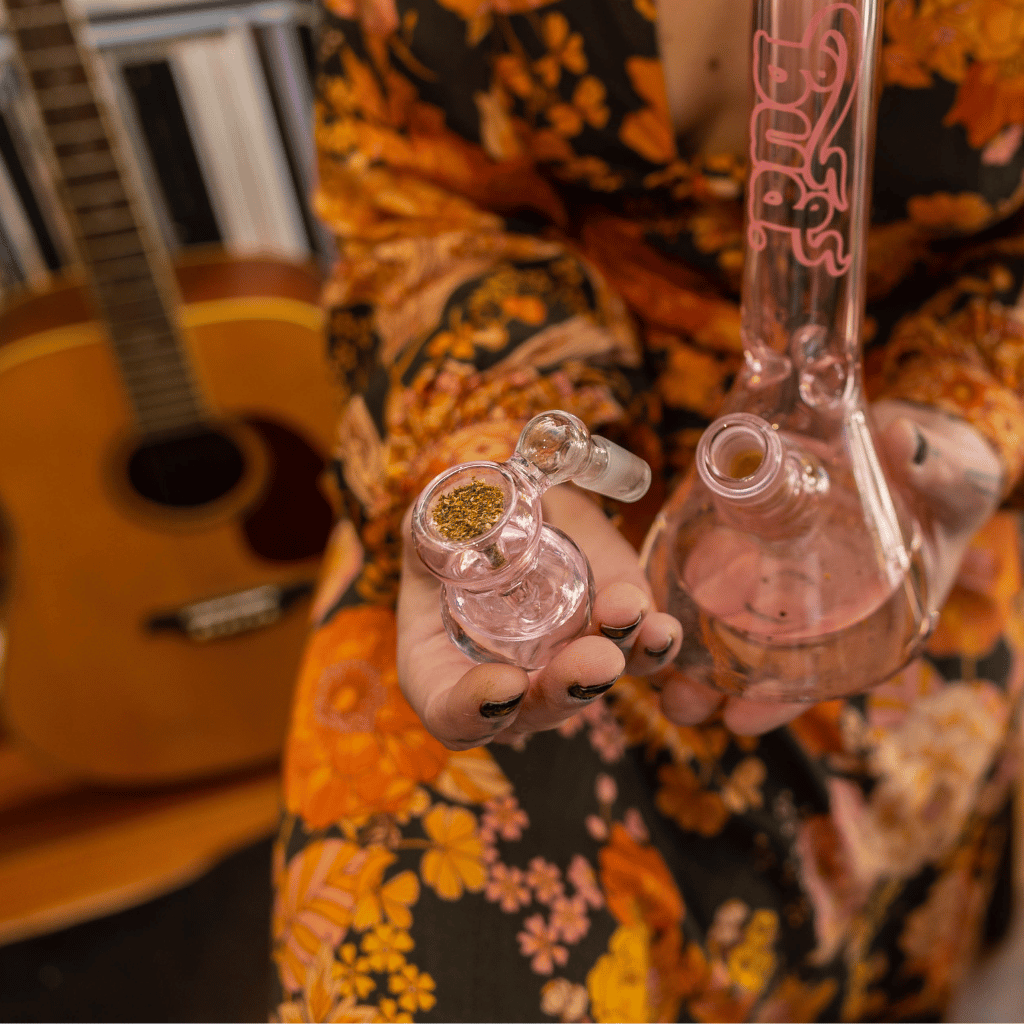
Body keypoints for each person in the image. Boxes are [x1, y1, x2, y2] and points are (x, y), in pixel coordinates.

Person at [270, 0, 1024, 1019]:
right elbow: (419, 207)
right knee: (415, 966)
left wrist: (965, 421)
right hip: (525, 427)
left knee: (857, 848)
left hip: (894, 472)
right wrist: (494, 434)